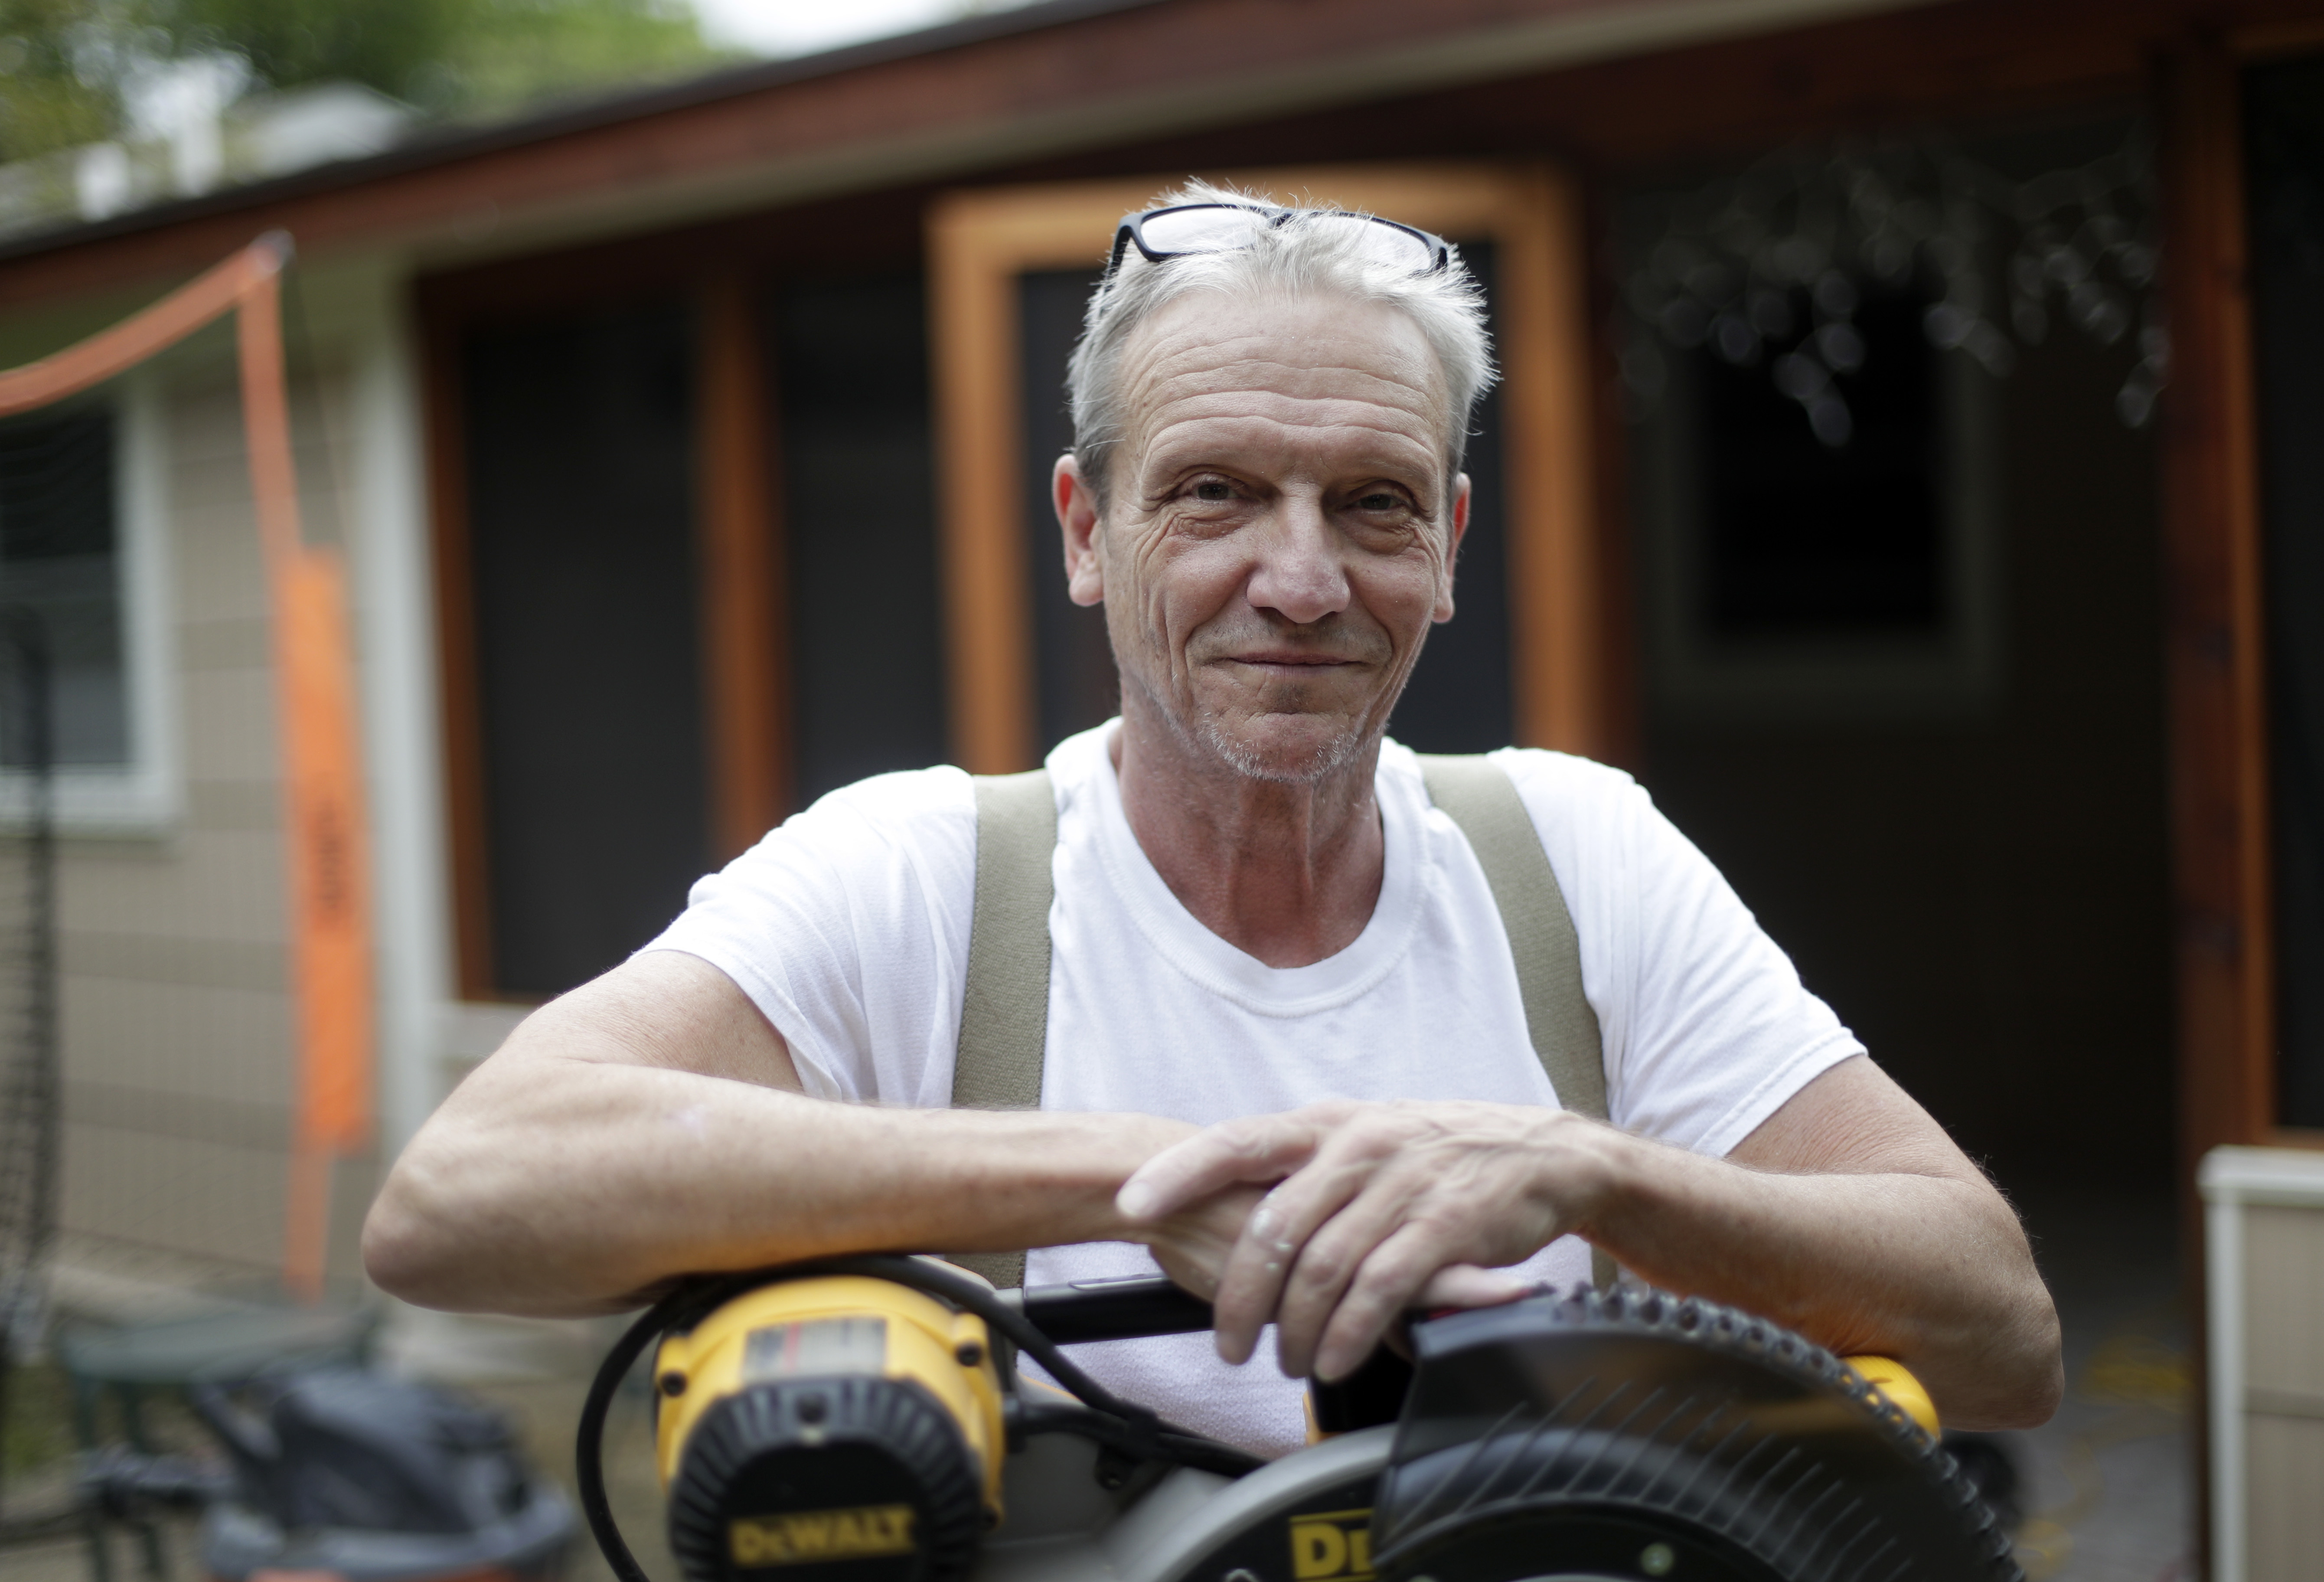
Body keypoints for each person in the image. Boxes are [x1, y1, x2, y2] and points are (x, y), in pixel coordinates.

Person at [364, 184, 2061, 1457]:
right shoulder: (922, 879)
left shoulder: (1574, 860)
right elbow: (457, 1201)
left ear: (1452, 547)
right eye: (1217, 494)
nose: (1304, 579)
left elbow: (2000, 1336)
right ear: (1088, 530)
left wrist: (1585, 1169)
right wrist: (1136, 1182)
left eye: (1375, 506)